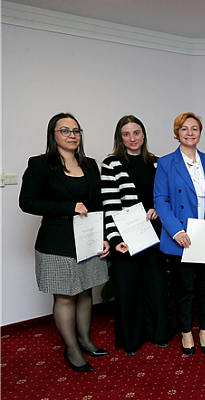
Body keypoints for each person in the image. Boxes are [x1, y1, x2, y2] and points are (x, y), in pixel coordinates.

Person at [19, 113, 110, 372]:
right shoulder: (40, 164)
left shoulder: (90, 164)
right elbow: (27, 202)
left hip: (87, 239)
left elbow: (97, 204)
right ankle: (71, 349)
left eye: (76, 130)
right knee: (66, 296)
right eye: (65, 130)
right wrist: (68, 207)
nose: (72, 135)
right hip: (56, 242)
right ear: (53, 135)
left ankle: (85, 340)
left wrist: (103, 235)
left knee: (85, 291)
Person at [153, 112, 205, 356]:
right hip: (181, 237)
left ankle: (204, 330)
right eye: (184, 128)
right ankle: (186, 332)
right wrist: (176, 230)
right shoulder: (166, 163)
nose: (190, 133)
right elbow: (160, 199)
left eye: (194, 128)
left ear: (200, 132)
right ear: (177, 133)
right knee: (183, 288)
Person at [101, 115, 169, 355]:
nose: (132, 138)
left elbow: (166, 197)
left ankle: (158, 333)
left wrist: (158, 209)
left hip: (154, 234)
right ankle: (132, 340)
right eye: (126, 134)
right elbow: (110, 204)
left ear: (143, 135)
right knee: (129, 289)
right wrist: (115, 239)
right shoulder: (111, 164)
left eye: (136, 132)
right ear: (120, 138)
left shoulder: (157, 162)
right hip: (126, 238)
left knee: (156, 286)